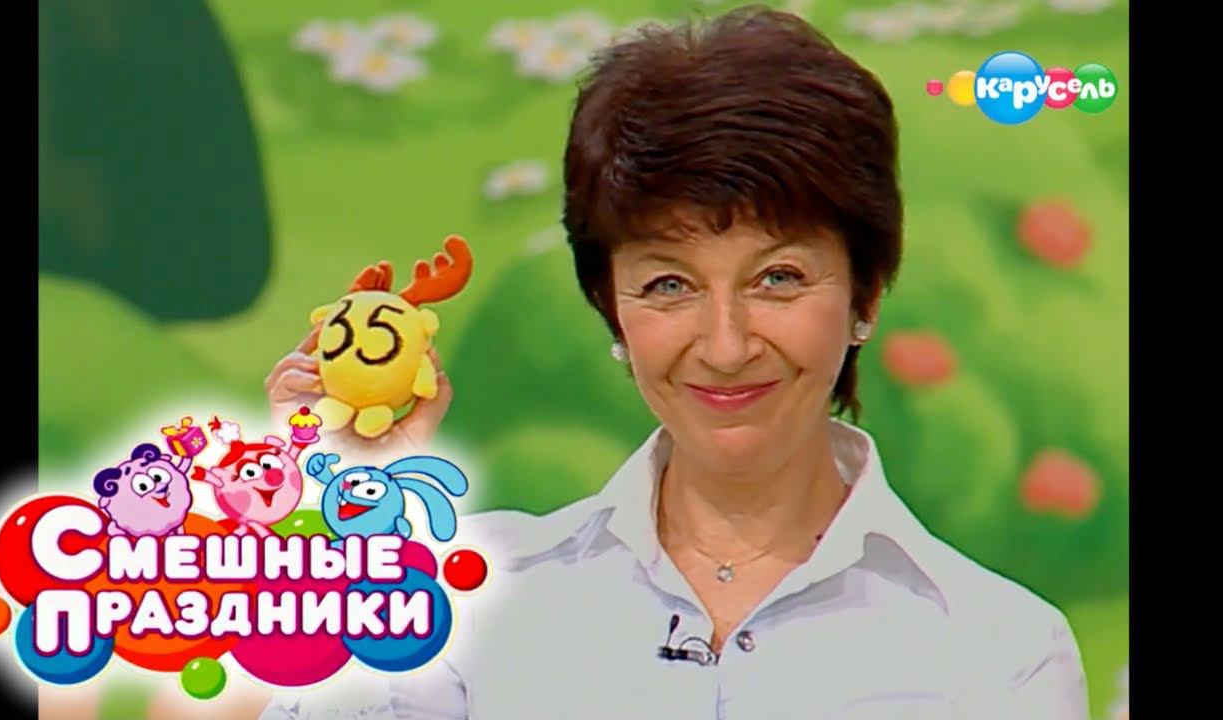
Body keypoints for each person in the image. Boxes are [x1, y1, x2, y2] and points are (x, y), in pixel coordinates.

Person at [261, 7, 1089, 719]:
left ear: (865, 295)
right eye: (668, 284)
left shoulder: (1002, 655)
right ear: (611, 311)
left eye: (778, 278)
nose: (725, 346)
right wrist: (345, 510)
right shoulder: (469, 598)